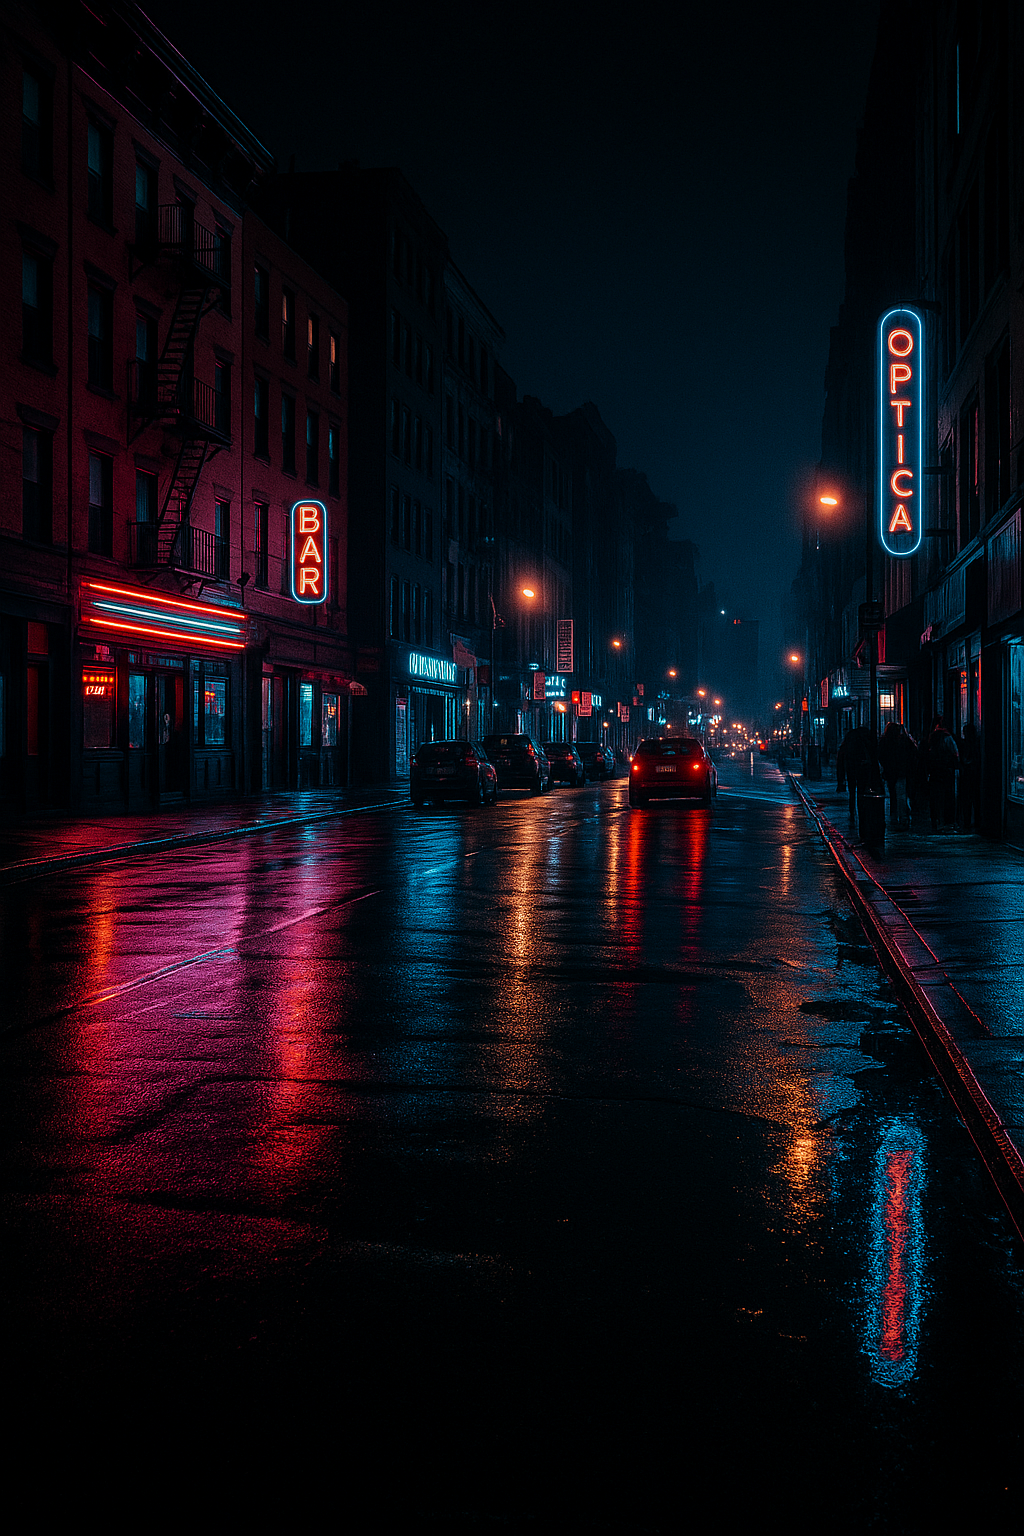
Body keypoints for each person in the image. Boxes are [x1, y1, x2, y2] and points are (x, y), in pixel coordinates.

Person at [878, 721, 918, 831]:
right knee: (901, 794)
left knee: (893, 794)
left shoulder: (884, 741)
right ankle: (903, 817)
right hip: (902, 770)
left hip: (891, 771)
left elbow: (880, 755)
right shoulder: (903, 741)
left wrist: (886, 766)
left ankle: (894, 816)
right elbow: (913, 752)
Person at [836, 723, 875, 825]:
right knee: (861, 792)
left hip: (851, 770)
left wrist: (841, 780)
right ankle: (861, 810)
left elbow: (840, 762)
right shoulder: (864, 743)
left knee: (852, 792)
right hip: (862, 771)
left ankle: (852, 811)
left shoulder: (847, 745)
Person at [927, 715, 959, 831]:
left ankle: (935, 818)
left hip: (935, 770)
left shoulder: (932, 737)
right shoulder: (947, 737)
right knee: (948, 795)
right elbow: (955, 753)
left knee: (935, 796)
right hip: (946, 770)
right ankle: (947, 820)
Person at [957, 721, 981, 831]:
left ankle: (967, 821)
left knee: (967, 799)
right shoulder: (976, 744)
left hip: (968, 774)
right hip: (973, 775)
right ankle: (974, 821)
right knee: (973, 799)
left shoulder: (964, 744)